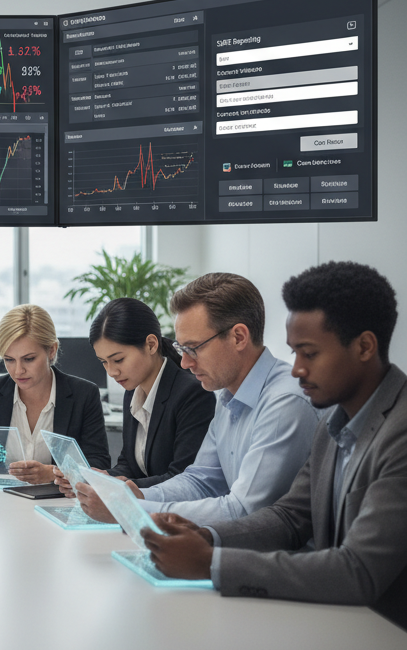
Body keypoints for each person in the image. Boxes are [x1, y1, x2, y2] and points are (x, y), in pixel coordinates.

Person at [143, 261, 407, 630]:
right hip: (342, 621)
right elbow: (290, 517)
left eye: (309, 353)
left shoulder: (400, 432)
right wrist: (204, 536)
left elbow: (358, 570)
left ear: (364, 346)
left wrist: (210, 562)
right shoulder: (335, 419)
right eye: (294, 352)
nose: (297, 369)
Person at [74, 272, 319, 523]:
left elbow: (245, 511)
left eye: (193, 348)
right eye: (181, 348)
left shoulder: (284, 403)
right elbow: (201, 480)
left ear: (238, 337)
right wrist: (137, 494)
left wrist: (129, 509)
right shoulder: (227, 396)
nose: (185, 362)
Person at [65, 298, 215, 489]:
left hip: (175, 513)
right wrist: (100, 478)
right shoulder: (133, 390)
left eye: (118, 360)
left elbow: (184, 478)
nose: (111, 372)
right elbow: (129, 464)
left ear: (151, 345)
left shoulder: (192, 394)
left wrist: (125, 486)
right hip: (145, 508)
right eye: (104, 362)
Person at [0, 304, 111, 484]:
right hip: (0, 497)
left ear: (51, 350)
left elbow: (99, 463)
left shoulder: (84, 394)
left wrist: (54, 473)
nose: (18, 371)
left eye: (29, 359)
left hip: (56, 500)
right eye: (9, 360)